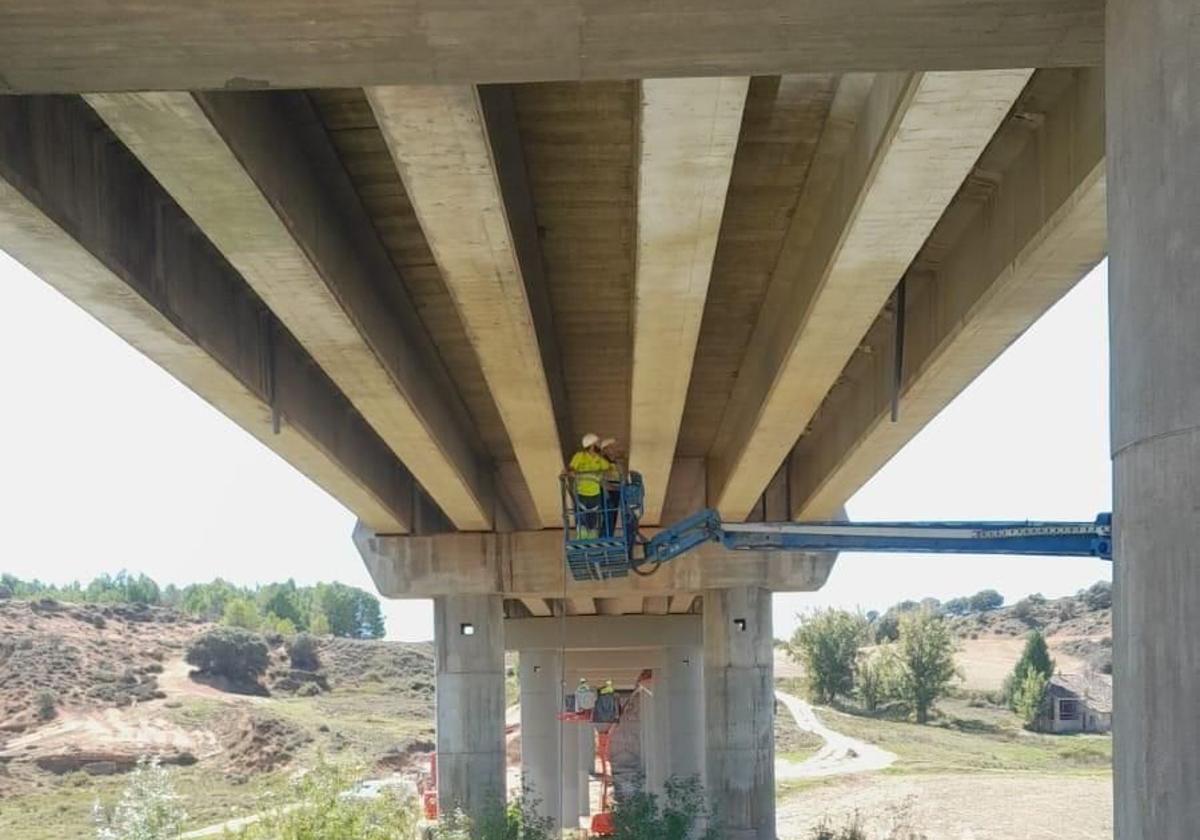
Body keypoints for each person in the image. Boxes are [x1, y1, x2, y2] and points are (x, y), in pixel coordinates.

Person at [568, 433, 611, 539]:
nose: (598, 445)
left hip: (595, 493)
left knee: (593, 518)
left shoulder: (598, 458)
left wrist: (601, 472)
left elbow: (608, 468)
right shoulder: (580, 456)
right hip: (581, 492)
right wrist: (572, 472)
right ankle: (582, 538)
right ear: (592, 445)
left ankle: (592, 539)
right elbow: (570, 468)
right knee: (582, 517)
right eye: (597, 443)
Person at [599, 437, 623, 537]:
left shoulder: (614, 462)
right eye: (612, 447)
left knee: (613, 516)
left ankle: (609, 537)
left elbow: (620, 475)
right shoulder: (601, 461)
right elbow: (600, 479)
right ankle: (605, 539)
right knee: (608, 516)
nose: (615, 449)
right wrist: (611, 489)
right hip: (607, 492)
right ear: (605, 450)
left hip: (615, 491)